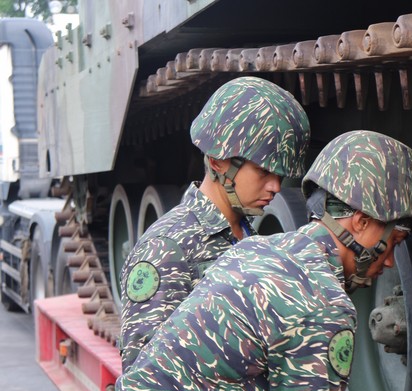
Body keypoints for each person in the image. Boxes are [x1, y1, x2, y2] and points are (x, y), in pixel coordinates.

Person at [114, 130, 412, 391]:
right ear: (361, 222)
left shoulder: (256, 248)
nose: (389, 261)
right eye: (395, 241)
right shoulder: (323, 303)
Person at [118, 76, 311, 372]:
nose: (275, 186)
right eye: (263, 171)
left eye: (281, 175)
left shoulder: (248, 235)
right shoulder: (167, 249)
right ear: (219, 161)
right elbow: (143, 375)